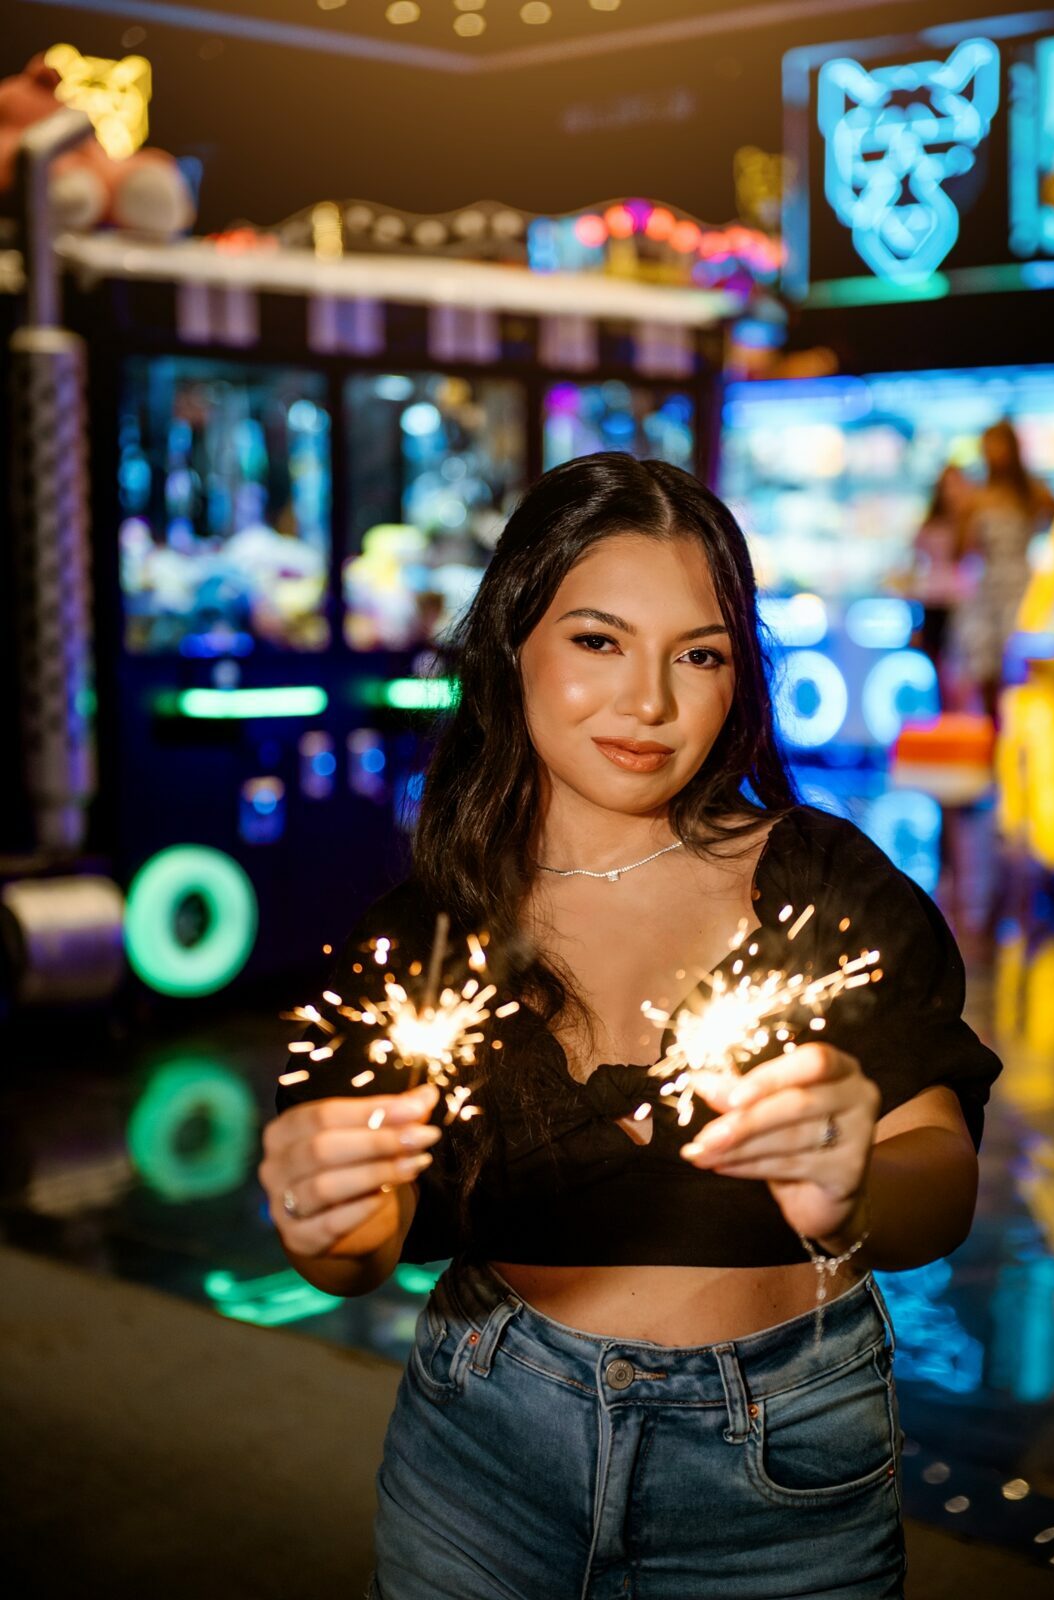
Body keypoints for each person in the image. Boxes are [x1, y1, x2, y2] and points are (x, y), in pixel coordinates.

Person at [260, 453, 1001, 1600]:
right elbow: (352, 1250)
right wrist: (329, 1218)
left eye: (698, 654)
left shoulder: (823, 887)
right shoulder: (425, 938)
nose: (649, 702)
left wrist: (856, 1178)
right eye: (599, 640)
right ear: (513, 644)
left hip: (785, 1464)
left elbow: (937, 1184)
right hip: (482, 1452)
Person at [955, 419, 1054, 723]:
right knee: (984, 668)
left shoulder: (1033, 491)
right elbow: (962, 549)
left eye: (998, 444)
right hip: (987, 590)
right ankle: (991, 735)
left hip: (1021, 589)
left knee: (1018, 670)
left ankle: (1018, 737)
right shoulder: (977, 496)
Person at [910, 463, 974, 704]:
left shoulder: (971, 523)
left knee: (960, 666)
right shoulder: (930, 524)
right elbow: (916, 562)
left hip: (961, 602)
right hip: (933, 601)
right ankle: (944, 712)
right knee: (936, 664)